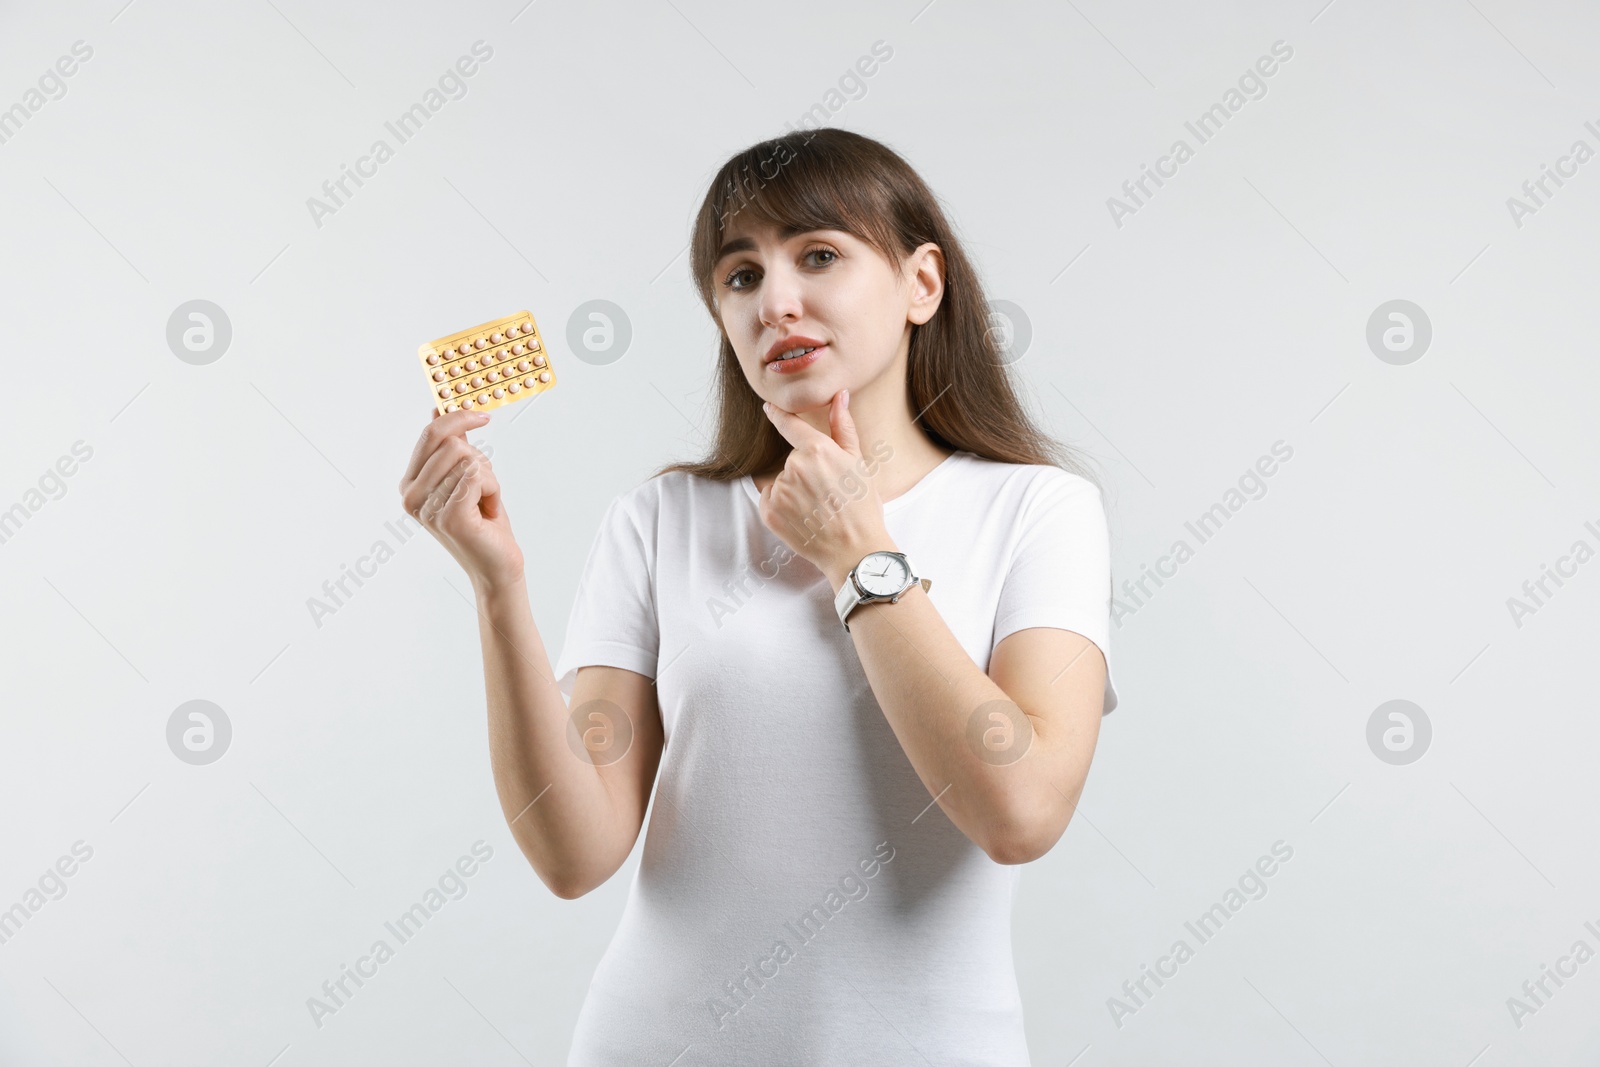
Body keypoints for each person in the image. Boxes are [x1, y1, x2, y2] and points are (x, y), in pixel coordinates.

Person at [399, 127, 1118, 1065]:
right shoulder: (660, 520)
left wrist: (857, 550)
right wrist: (498, 588)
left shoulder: (1038, 511)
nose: (776, 301)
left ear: (921, 284)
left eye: (819, 255)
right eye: (740, 276)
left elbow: (1019, 811)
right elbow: (575, 852)